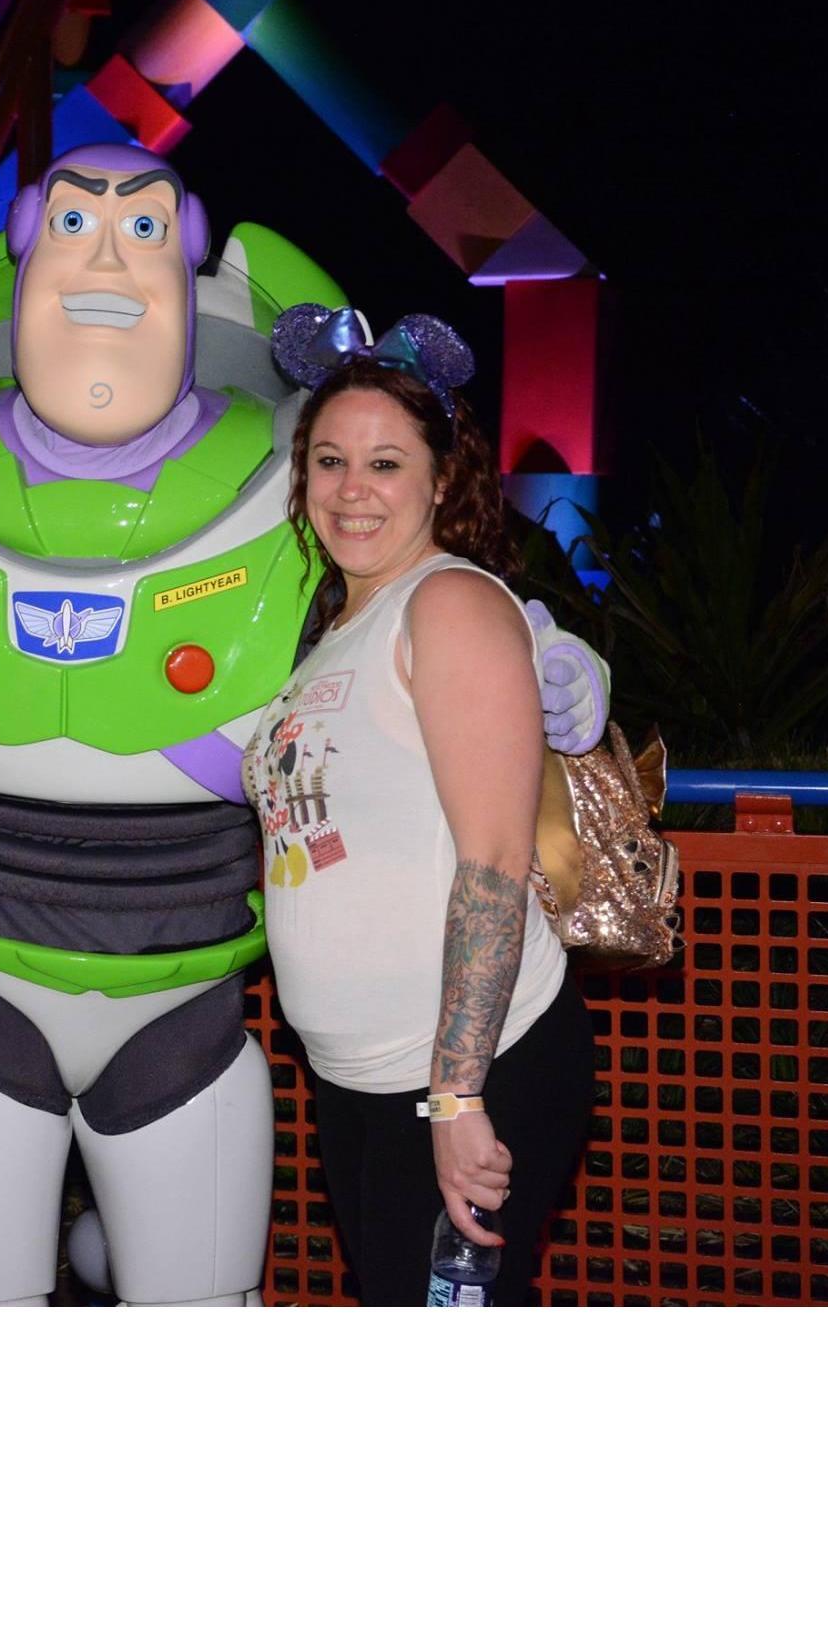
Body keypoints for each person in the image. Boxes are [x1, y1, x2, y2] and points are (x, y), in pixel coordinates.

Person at [0, 142, 608, 1304]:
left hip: (218, 1023)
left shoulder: (347, 564)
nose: (105, 260)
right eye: (74, 225)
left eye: (142, 229)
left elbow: (484, 763)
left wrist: (552, 659)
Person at [245, 306, 599, 1305]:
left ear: (442, 480)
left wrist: (456, 1094)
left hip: (466, 1072)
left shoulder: (449, 603)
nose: (351, 489)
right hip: (356, 1076)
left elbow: (493, 860)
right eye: (328, 460)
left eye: (385, 463)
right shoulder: (331, 629)